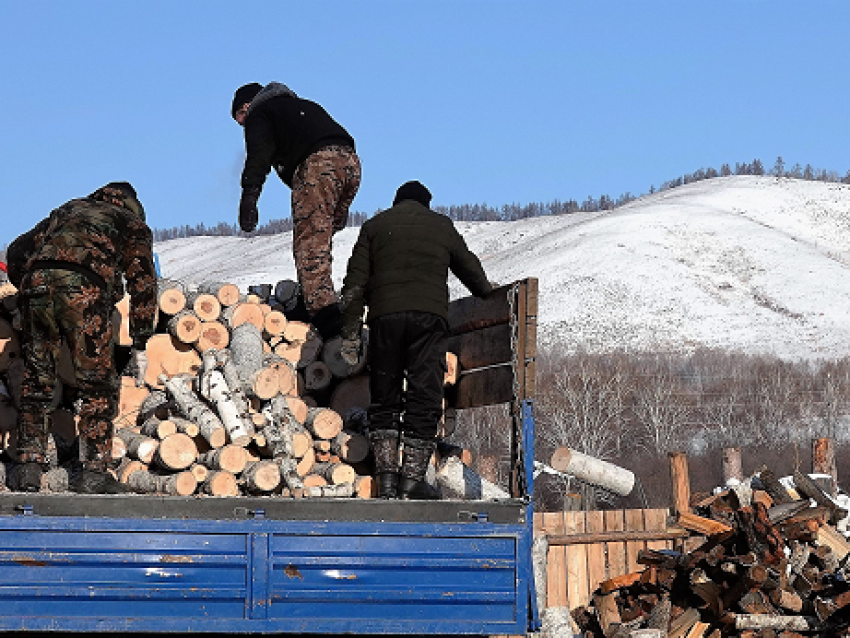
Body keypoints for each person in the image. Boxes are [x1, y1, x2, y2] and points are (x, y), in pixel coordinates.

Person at [339, 181, 493, 499]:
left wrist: (352, 332)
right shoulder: (441, 226)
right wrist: (487, 291)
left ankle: (386, 481)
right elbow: (471, 271)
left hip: (384, 320)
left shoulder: (374, 226)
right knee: (424, 395)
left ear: (396, 203)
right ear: (426, 203)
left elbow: (354, 284)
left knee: (385, 397)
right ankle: (412, 482)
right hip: (428, 319)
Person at [9, 182, 157, 494]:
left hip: (37, 282)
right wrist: (141, 339)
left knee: (37, 380)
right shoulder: (132, 224)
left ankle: (27, 467)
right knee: (96, 383)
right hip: (83, 290)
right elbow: (142, 282)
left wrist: (27, 288)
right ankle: (93, 471)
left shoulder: (70, 209)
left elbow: (17, 251)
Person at [231, 81, 361, 340]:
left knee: (309, 245)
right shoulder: (301, 105)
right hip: (350, 164)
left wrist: (249, 197)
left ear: (246, 106)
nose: (244, 126)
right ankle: (311, 298)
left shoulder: (260, 111)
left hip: (318, 166)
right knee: (320, 239)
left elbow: (259, 155)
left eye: (241, 119)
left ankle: (328, 321)